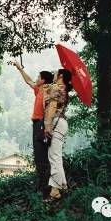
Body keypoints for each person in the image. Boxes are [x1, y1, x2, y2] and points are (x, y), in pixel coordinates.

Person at [10, 60, 53, 197]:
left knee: (41, 155)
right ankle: (42, 185)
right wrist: (20, 69)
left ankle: (45, 188)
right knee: (38, 154)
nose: (36, 78)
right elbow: (29, 81)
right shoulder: (39, 89)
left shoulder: (47, 89)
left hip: (41, 124)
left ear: (43, 80)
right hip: (36, 124)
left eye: (39, 77)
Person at [43, 68, 72, 201]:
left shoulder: (57, 87)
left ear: (60, 75)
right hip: (61, 123)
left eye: (55, 73)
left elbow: (52, 106)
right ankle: (63, 186)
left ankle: (55, 191)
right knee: (55, 156)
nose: (53, 74)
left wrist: (48, 126)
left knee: (54, 157)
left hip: (55, 123)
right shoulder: (63, 88)